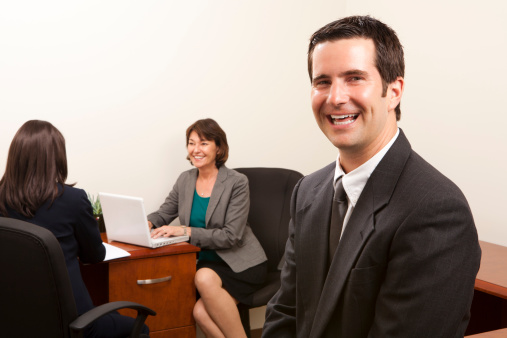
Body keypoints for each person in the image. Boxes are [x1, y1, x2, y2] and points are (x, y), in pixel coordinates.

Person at [262, 16, 481, 338]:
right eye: (322, 81)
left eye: (354, 78)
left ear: (393, 91)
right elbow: (286, 310)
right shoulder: (307, 190)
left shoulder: (436, 209)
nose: (335, 97)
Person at [0, 120, 149, 338]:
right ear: (56, 158)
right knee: (140, 329)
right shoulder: (73, 200)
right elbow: (94, 255)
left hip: (15, 321)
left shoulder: (2, 199)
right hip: (74, 325)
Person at [148, 118, 267, 337]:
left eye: (203, 143)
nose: (196, 149)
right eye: (191, 143)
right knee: (200, 313)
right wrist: (146, 222)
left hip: (241, 263)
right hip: (209, 266)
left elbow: (231, 236)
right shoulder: (185, 179)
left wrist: (185, 231)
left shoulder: (236, 182)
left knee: (202, 277)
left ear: (218, 147)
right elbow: (164, 213)